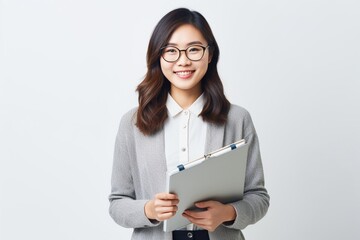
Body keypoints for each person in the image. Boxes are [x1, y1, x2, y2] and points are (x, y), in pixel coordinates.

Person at [109, 8, 269, 240]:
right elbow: (117, 203)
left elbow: (258, 197)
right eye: (171, 51)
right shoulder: (132, 123)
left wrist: (228, 213)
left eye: (194, 49)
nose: (183, 61)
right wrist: (149, 210)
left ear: (209, 54)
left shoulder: (237, 119)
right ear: (158, 56)